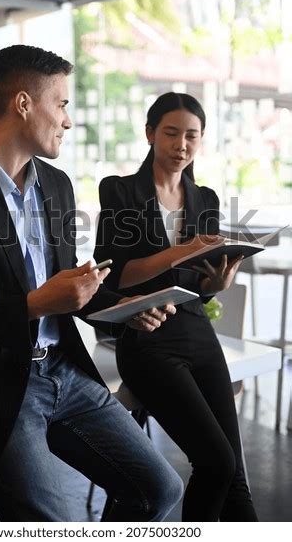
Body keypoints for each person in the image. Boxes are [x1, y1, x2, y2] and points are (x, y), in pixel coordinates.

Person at [0, 46, 183, 522]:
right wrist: (33, 305)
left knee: (160, 489)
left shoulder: (56, 186)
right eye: (61, 103)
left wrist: (123, 306)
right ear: (22, 104)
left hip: (64, 372)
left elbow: (66, 286)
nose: (68, 120)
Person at [94, 92, 258, 522]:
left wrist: (215, 283)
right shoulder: (119, 190)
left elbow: (200, 286)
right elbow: (113, 274)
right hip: (147, 337)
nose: (181, 144)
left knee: (234, 473)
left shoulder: (205, 199)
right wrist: (179, 251)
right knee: (217, 463)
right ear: (150, 134)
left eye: (192, 136)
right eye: (170, 133)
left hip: (197, 332)